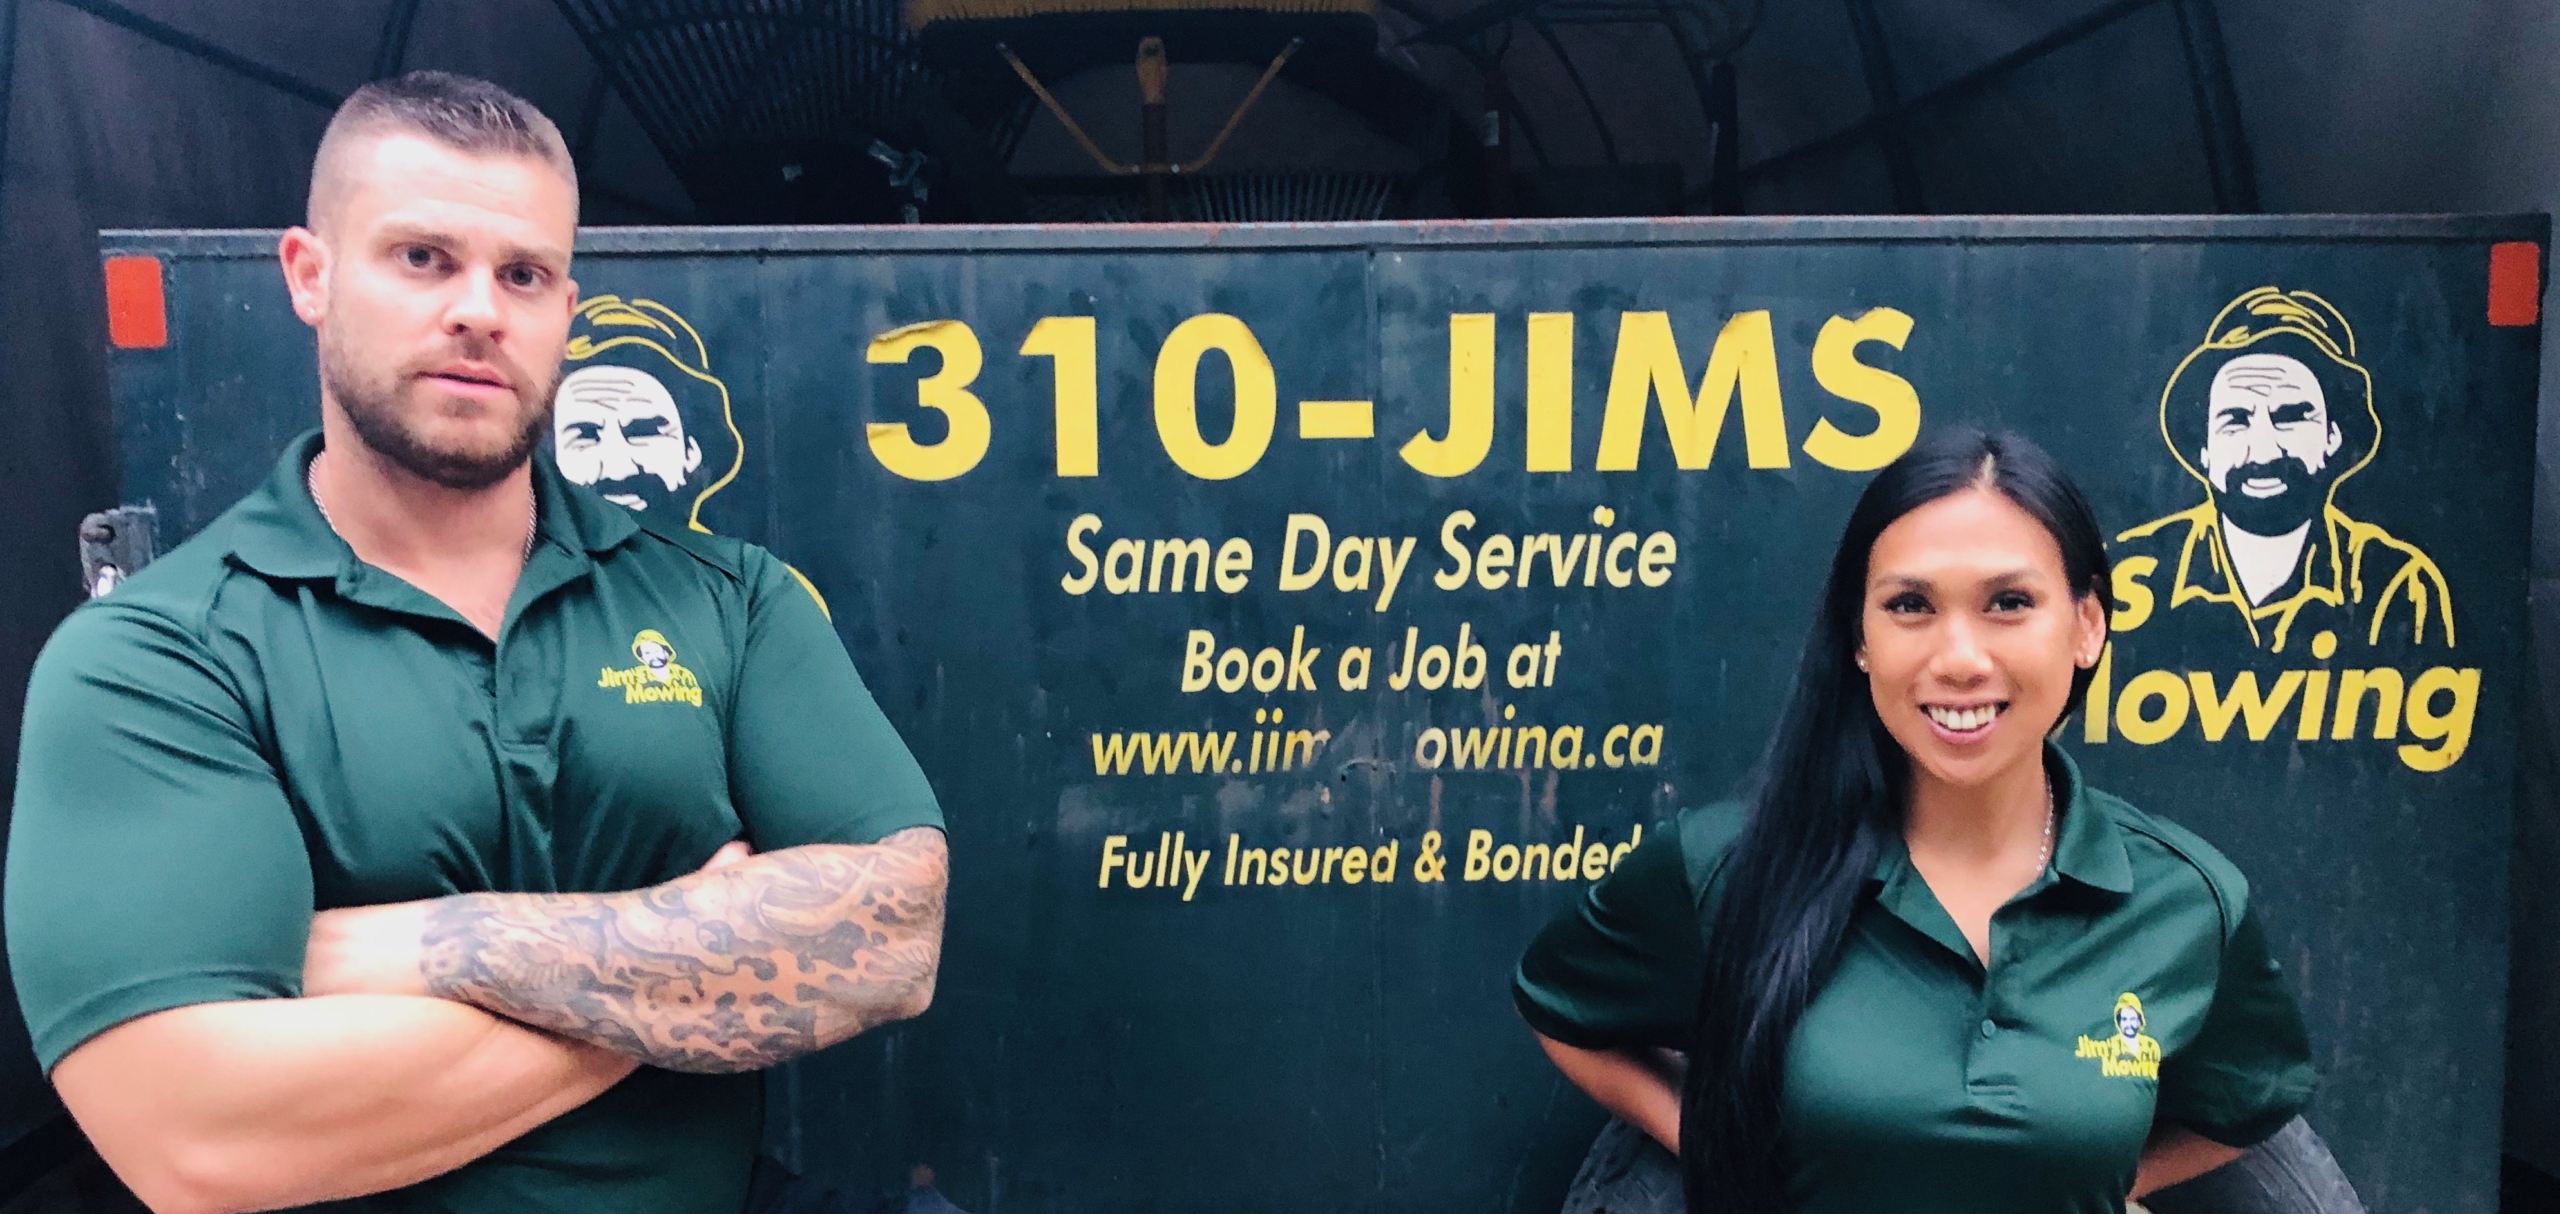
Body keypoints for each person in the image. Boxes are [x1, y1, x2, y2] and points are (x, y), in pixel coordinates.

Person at [6, 71, 947, 1214]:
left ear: (564, 306)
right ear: (309, 273)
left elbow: (894, 933)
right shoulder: (160, 656)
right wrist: (688, 982)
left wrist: (434, 941)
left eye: (523, 274)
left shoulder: (723, 599)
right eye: (421, 258)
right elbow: (197, 1136)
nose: (478, 309)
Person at [1513, 428, 2317, 1213]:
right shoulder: (1727, 865)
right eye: (1910, 605)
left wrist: (2091, 1186)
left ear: (2086, 627)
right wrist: (1720, 1151)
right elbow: (1564, 1011)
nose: (1960, 657)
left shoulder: (2185, 901)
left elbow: (2245, 1105)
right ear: (1859, 639)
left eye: (2009, 602)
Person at [2111, 287, 2452, 653]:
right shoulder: (2132, 572)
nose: (2263, 451)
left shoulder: (2393, 583)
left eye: (2290, 417)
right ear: (2204, 448)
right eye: (2236, 421)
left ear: (2333, 438)